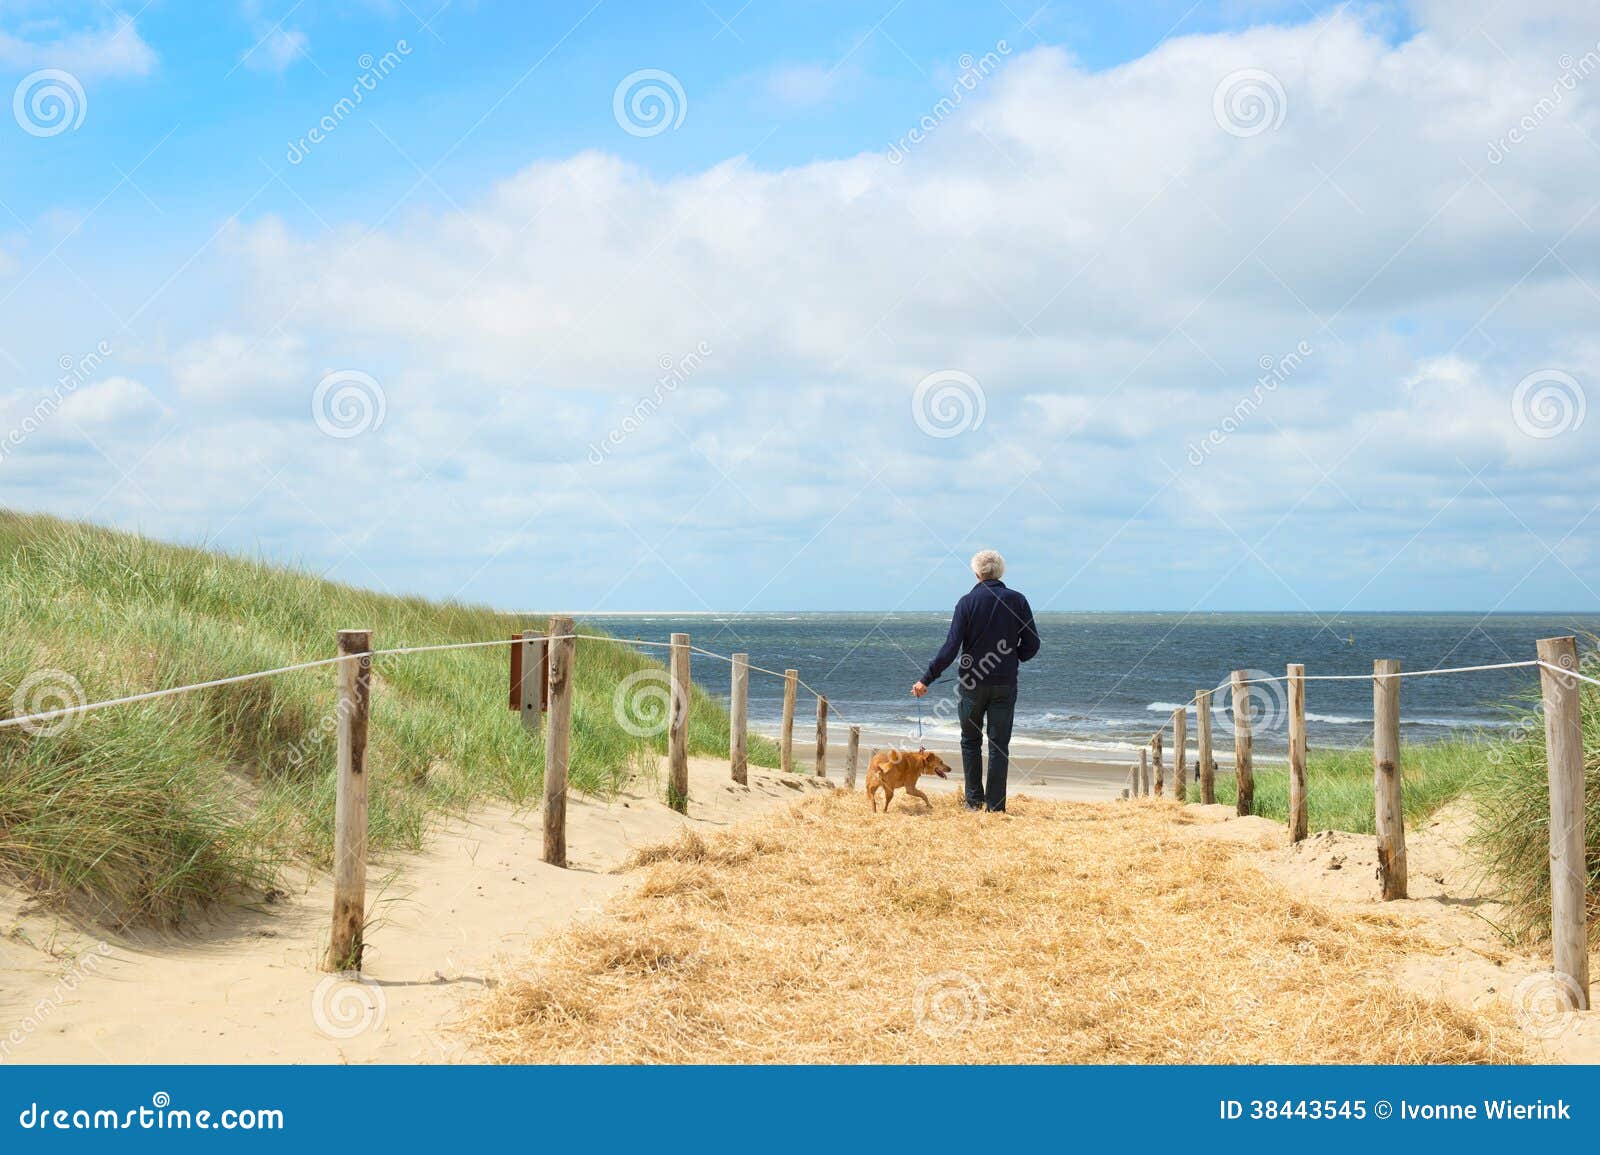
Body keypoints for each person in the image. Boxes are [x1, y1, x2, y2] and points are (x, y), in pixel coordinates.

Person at [911, 550, 1040, 812]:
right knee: (998, 744)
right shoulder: (1018, 600)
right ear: (1000, 572)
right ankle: (995, 807)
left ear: (977, 573)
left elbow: (951, 647)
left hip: (972, 685)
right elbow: (1033, 643)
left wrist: (926, 679)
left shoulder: (967, 602)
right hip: (1004, 683)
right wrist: (1015, 657)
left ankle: (973, 802)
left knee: (971, 741)